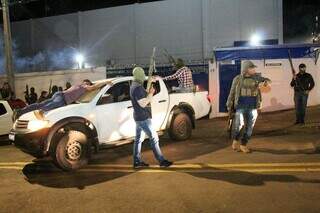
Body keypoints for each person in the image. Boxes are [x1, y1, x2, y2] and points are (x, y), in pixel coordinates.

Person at [130, 67, 172, 168]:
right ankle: (161, 161)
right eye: (143, 74)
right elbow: (144, 103)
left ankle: (136, 162)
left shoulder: (134, 85)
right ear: (140, 75)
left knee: (138, 139)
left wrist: (151, 81)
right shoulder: (138, 88)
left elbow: (143, 96)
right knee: (154, 138)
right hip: (143, 117)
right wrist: (151, 93)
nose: (144, 76)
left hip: (138, 116)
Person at [226, 60, 271, 153]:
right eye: (252, 68)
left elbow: (268, 80)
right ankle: (235, 141)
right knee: (238, 126)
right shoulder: (237, 79)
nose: (254, 69)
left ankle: (243, 145)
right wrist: (229, 105)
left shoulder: (257, 78)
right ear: (246, 69)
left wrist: (265, 83)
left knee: (249, 128)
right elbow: (232, 92)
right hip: (240, 107)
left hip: (253, 107)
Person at [14, 79, 112, 120]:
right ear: (87, 83)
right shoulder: (85, 86)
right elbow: (94, 87)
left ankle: (19, 111)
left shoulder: (77, 84)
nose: (89, 86)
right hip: (63, 98)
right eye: (89, 84)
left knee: (39, 104)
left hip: (59, 94)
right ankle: (41, 112)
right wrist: (106, 82)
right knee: (48, 107)